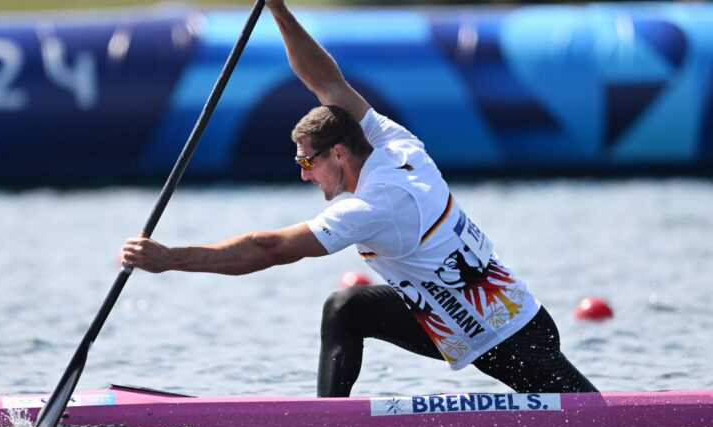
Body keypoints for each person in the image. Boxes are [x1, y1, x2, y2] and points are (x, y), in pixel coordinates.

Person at [121, 0, 598, 397]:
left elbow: (269, 248)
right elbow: (326, 82)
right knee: (347, 307)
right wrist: (279, 11)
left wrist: (171, 259)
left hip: (508, 336)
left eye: (307, 162)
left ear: (340, 153)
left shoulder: (374, 206)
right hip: (447, 319)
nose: (305, 175)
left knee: (592, 425)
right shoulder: (391, 141)